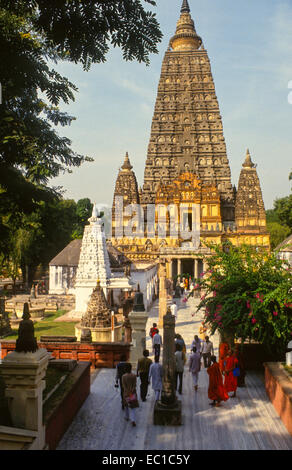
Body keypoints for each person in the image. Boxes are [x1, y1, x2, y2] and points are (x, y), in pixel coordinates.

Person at [122, 363, 139, 427]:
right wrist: (131, 391)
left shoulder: (123, 376)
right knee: (132, 407)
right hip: (132, 393)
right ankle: (133, 420)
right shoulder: (134, 376)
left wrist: (127, 391)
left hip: (126, 393)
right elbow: (134, 385)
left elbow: (124, 386)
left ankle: (127, 416)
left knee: (126, 405)